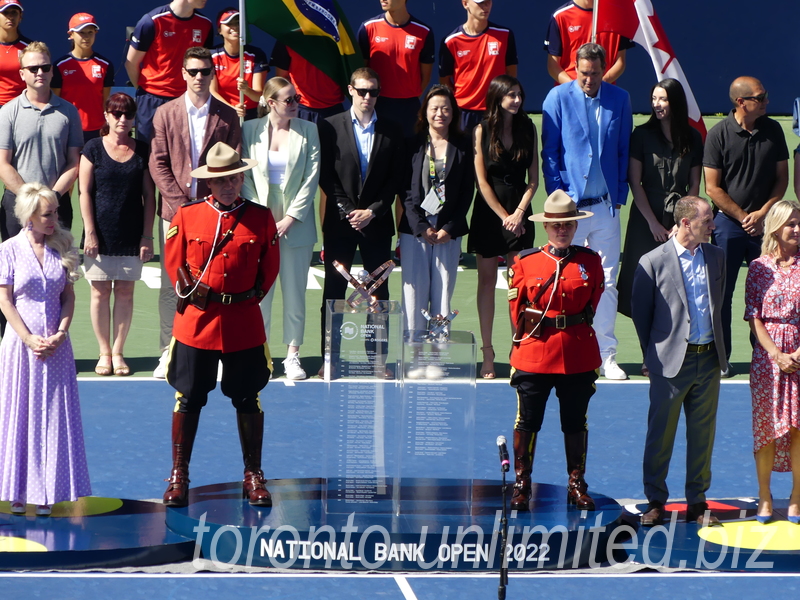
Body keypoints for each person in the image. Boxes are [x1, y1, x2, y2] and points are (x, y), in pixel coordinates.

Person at [162, 141, 279, 507]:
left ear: (242, 177)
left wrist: (243, 301)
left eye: (234, 178)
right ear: (208, 184)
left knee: (248, 397)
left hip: (242, 320)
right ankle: (179, 474)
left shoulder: (260, 218)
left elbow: (268, 269)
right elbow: (174, 263)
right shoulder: (188, 215)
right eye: (221, 181)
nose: (229, 186)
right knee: (189, 397)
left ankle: (253, 474)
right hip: (198, 321)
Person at [631, 196, 726, 527]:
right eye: (706, 220)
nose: (712, 224)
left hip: (708, 359)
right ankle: (656, 500)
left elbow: (717, 307)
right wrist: (651, 356)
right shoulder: (653, 261)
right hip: (670, 363)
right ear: (686, 223)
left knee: (703, 435)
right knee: (661, 435)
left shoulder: (716, 256)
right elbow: (641, 314)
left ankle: (697, 503)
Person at [507, 190, 603, 512]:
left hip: (576, 352)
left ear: (576, 227)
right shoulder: (525, 262)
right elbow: (516, 310)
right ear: (546, 227)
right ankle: (522, 484)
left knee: (575, 422)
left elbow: (592, 304)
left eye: (568, 224)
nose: (562, 230)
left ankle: (576, 484)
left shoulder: (590, 262)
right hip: (535, 351)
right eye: (555, 225)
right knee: (528, 421)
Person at [149, 46, 241, 378]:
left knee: (213, 282)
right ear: (183, 74)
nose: (199, 77)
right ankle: (166, 351)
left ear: (212, 74)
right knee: (171, 283)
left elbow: (233, 164)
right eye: (193, 72)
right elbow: (157, 164)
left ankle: (212, 350)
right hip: (174, 215)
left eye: (205, 71)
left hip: (214, 213)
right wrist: (180, 205)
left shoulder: (228, 115)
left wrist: (210, 205)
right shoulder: (164, 113)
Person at [541, 42, 632, 380]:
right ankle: (563, 348)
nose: (589, 79)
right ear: (574, 69)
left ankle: (606, 355)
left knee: (607, 282)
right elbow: (549, 152)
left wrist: (619, 194)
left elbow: (622, 149)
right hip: (571, 211)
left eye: (594, 74)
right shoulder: (557, 98)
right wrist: (558, 197)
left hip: (607, 207)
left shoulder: (619, 99)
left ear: (603, 69)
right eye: (583, 74)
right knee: (565, 279)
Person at [0, 183, 91, 517]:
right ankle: (17, 492)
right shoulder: (9, 249)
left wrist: (61, 333)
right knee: (19, 415)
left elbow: (68, 297)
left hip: (56, 349)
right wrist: (28, 338)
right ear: (29, 217)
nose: (55, 219)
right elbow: (5, 300)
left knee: (53, 418)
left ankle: (48, 492)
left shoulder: (63, 245)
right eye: (47, 214)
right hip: (20, 349)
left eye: (55, 212)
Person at [318, 67, 404, 374]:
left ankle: (378, 359)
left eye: (374, 92)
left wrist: (374, 212)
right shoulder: (329, 126)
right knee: (334, 291)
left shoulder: (393, 131)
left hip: (377, 225)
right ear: (350, 91)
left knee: (378, 292)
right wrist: (346, 210)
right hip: (341, 224)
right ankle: (331, 358)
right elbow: (326, 175)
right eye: (363, 91)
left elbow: (396, 180)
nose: (368, 97)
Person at [704, 76, 789, 375]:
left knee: (767, 295)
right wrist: (742, 216)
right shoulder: (717, 135)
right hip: (728, 225)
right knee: (722, 294)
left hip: (765, 225)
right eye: (760, 97)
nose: (766, 101)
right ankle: (722, 359)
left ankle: (764, 358)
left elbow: (782, 179)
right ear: (742, 102)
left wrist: (765, 213)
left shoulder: (774, 130)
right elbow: (712, 188)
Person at [241, 77, 320, 381]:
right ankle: (259, 353)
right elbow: (244, 176)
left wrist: (289, 218)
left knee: (295, 291)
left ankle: (293, 355)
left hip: (295, 223)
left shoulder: (309, 130)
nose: (296, 104)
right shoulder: (249, 129)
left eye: (297, 98)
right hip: (259, 220)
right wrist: (262, 218)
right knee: (260, 293)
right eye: (289, 100)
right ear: (270, 102)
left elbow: (311, 179)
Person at [79, 93, 156, 377]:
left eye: (128, 115)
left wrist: (146, 237)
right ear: (107, 116)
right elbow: (84, 192)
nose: (122, 120)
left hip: (131, 236)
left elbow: (150, 196)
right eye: (116, 114)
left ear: (134, 118)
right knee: (99, 293)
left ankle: (119, 351)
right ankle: (104, 352)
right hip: (98, 236)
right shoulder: (93, 148)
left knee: (125, 292)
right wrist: (90, 233)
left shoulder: (143, 150)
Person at [467, 75, 537, 378]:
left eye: (519, 94)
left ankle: (518, 350)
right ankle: (488, 353)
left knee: (517, 285)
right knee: (485, 282)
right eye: (511, 95)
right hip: (489, 213)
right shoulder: (481, 130)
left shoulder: (529, 128)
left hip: (520, 212)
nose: (517, 100)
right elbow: (481, 181)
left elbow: (534, 179)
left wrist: (519, 213)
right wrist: (504, 216)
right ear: (498, 98)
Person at [618, 78, 703, 322]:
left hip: (681, 217)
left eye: (663, 99)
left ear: (675, 102)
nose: (657, 104)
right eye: (654, 98)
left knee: (676, 284)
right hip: (646, 218)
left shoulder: (693, 137)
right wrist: (653, 223)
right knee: (640, 282)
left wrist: (682, 223)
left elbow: (695, 184)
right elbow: (636, 182)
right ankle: (648, 356)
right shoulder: (642, 135)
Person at [399, 85, 473, 334]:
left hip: (447, 232)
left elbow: (466, 192)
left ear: (453, 113)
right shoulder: (412, 145)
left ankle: (438, 352)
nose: (440, 113)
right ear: (425, 113)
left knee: (443, 293)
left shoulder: (463, 146)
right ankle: (414, 353)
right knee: (414, 292)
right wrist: (421, 227)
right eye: (434, 108)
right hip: (415, 230)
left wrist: (449, 228)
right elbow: (406, 193)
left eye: (445, 108)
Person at [744, 200, 800, 524]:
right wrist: (776, 355)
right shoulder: (758, 268)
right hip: (767, 361)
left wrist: (795, 355)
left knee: (797, 429)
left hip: (798, 354)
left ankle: (796, 497)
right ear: (776, 227)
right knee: (766, 431)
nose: (796, 229)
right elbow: (753, 315)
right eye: (791, 223)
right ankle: (764, 496)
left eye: (799, 223)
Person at [0, 40, 82, 241]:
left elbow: (74, 162)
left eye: (45, 67)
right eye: (33, 68)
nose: (40, 72)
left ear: (52, 71)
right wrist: (29, 198)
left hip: (57, 203)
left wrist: (52, 196)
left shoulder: (69, 111)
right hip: (17, 204)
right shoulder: (8, 112)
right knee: (16, 270)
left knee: (58, 268)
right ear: (22, 74)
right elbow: (3, 163)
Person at [125, 0, 213, 142]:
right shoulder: (152, 21)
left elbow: (204, 65)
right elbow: (131, 63)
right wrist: (145, 91)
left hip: (186, 100)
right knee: (148, 152)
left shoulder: (205, 24)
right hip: (152, 100)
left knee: (183, 153)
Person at [357, 0, 434, 137]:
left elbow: (426, 76)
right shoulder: (368, 28)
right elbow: (361, 74)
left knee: (410, 154)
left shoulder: (423, 32)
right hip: (377, 105)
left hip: (409, 108)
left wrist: (408, 96)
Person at [439, 0, 518, 133]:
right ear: (465, 4)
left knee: (495, 153)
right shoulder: (450, 41)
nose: (485, 6)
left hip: (495, 110)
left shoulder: (505, 35)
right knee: (465, 153)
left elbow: (511, 74)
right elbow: (445, 81)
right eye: (480, 3)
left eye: (488, 2)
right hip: (463, 113)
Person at [52, 13, 114, 143]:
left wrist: (108, 125)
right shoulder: (60, 66)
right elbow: (54, 101)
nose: (86, 37)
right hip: (68, 129)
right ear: (71, 34)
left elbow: (105, 100)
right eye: (82, 32)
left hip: (97, 130)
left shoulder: (105, 65)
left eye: (90, 32)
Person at [544, 0, 633, 84]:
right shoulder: (560, 16)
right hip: (568, 94)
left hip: (605, 93)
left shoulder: (617, 16)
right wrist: (575, 88)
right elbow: (553, 65)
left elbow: (620, 62)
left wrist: (599, 85)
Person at [210, 8, 268, 121]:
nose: (235, 27)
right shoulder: (211, 55)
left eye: (238, 23)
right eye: (229, 24)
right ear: (219, 30)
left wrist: (246, 90)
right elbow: (212, 92)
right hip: (221, 112)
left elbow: (258, 96)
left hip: (251, 114)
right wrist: (232, 109)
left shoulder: (256, 54)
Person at [270, 41, 345, 124]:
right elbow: (281, 79)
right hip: (301, 108)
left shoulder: (336, 35)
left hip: (334, 108)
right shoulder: (287, 38)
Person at [0, 0, 30, 107]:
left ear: (20, 17)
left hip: (22, 107)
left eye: (14, 12)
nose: (10, 17)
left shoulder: (30, 48)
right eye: (5, 12)